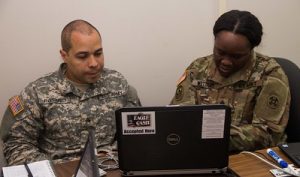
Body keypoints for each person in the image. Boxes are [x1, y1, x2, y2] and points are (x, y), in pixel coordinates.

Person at [0, 19, 141, 165]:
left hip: (111, 167)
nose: (94, 63)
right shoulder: (37, 93)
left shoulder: (117, 83)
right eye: (82, 56)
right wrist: (57, 170)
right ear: (64, 55)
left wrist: (113, 158)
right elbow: (15, 145)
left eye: (98, 53)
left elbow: (137, 134)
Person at [170, 10, 290, 153]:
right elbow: (177, 116)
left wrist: (209, 135)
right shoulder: (198, 68)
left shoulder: (271, 75)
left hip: (250, 157)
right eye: (220, 52)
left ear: (251, 49)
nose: (226, 62)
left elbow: (268, 134)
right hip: (199, 152)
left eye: (236, 56)